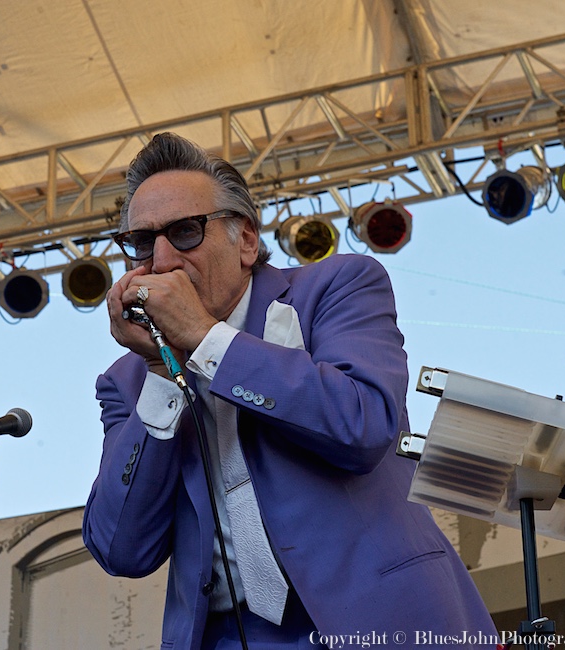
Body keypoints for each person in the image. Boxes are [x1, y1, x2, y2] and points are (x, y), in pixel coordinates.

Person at [83, 132, 497, 649]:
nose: (161, 261)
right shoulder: (126, 381)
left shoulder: (337, 288)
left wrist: (205, 340)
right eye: (143, 243)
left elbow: (363, 425)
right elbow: (120, 548)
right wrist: (163, 372)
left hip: (380, 620)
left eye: (185, 232)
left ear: (247, 242)